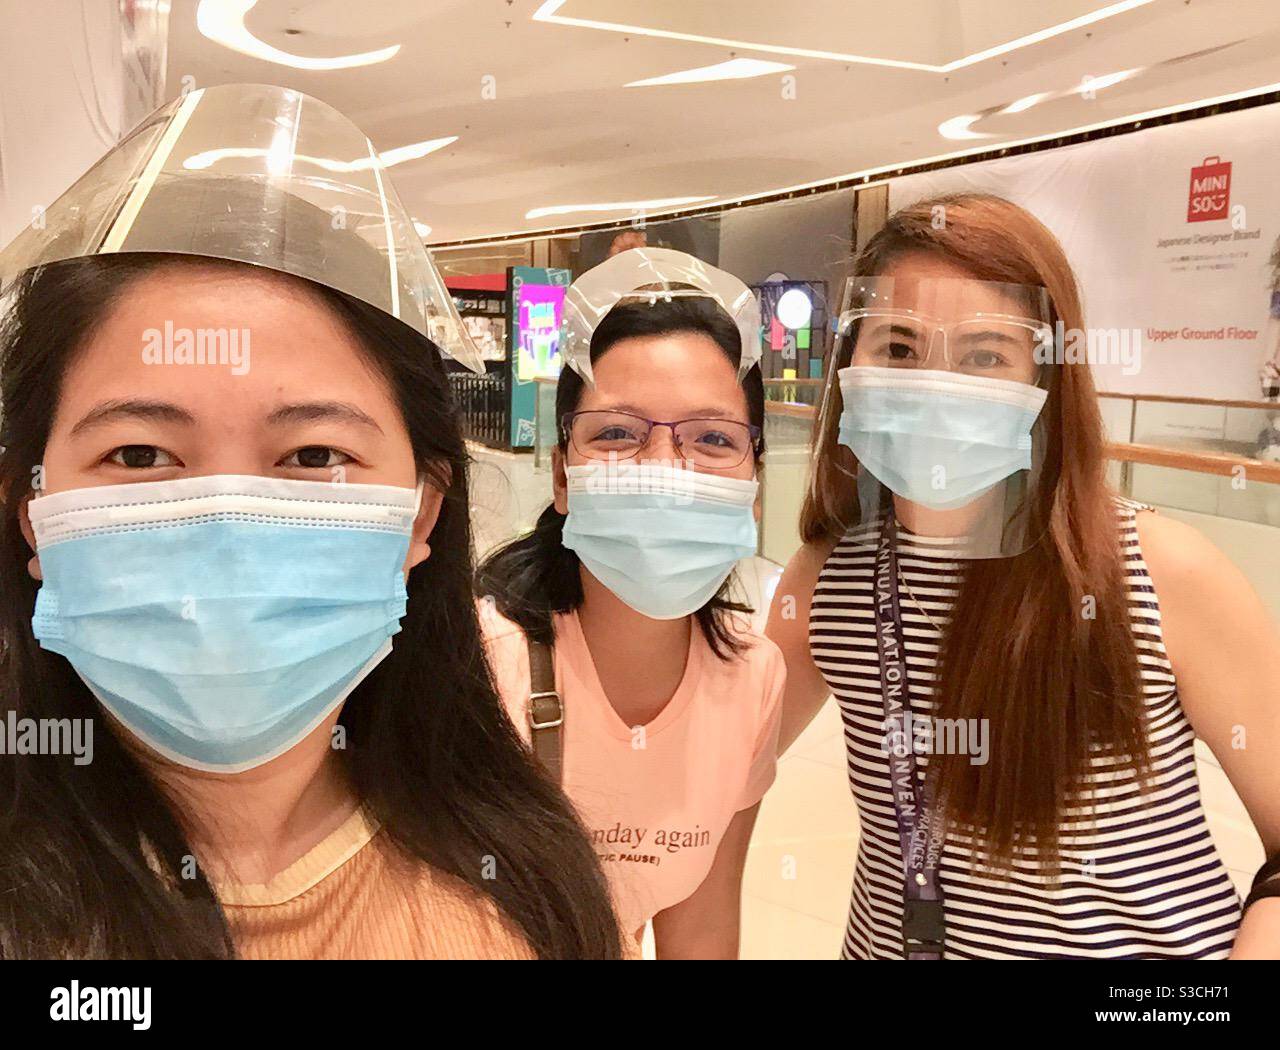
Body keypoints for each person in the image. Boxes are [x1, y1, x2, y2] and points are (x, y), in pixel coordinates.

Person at [0, 83, 621, 960]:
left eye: (312, 456)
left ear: (421, 514)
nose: (224, 524)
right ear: (30, 511)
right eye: (139, 455)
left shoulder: (518, 902)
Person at [768, 192, 1280, 959]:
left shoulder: (1158, 574)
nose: (936, 382)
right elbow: (712, 758)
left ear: (1045, 380)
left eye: (984, 355)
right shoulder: (828, 578)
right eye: (899, 349)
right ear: (851, 366)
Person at [478, 248, 784, 958]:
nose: (665, 470)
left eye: (712, 439)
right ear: (561, 474)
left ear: (754, 482)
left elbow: (701, 928)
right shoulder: (478, 664)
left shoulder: (752, 679)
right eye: (617, 433)